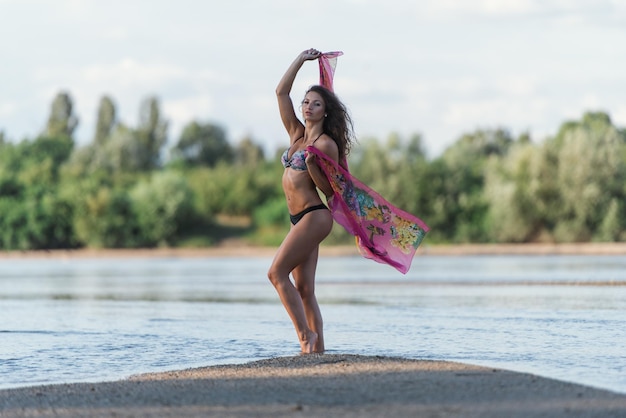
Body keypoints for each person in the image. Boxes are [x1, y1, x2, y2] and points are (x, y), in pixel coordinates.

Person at [267, 48, 355, 354]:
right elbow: (280, 92)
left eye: (315, 104)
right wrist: (300, 61)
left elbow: (330, 192)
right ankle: (317, 353)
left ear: (325, 111)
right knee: (304, 289)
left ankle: (306, 336)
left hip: (314, 216)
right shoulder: (297, 135)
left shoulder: (325, 144)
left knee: (275, 274)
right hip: (297, 219)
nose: (307, 107)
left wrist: (315, 166)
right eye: (306, 102)